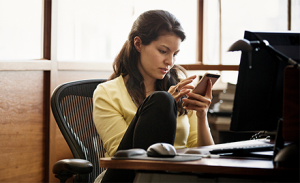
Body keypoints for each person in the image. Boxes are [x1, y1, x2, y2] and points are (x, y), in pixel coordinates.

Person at [93, 9, 214, 183]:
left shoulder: (182, 89)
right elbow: (120, 157)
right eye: (163, 51)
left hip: (178, 175)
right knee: (162, 101)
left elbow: (208, 155)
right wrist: (165, 108)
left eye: (174, 54)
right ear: (138, 44)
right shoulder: (107, 93)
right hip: (125, 176)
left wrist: (202, 116)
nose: (170, 62)